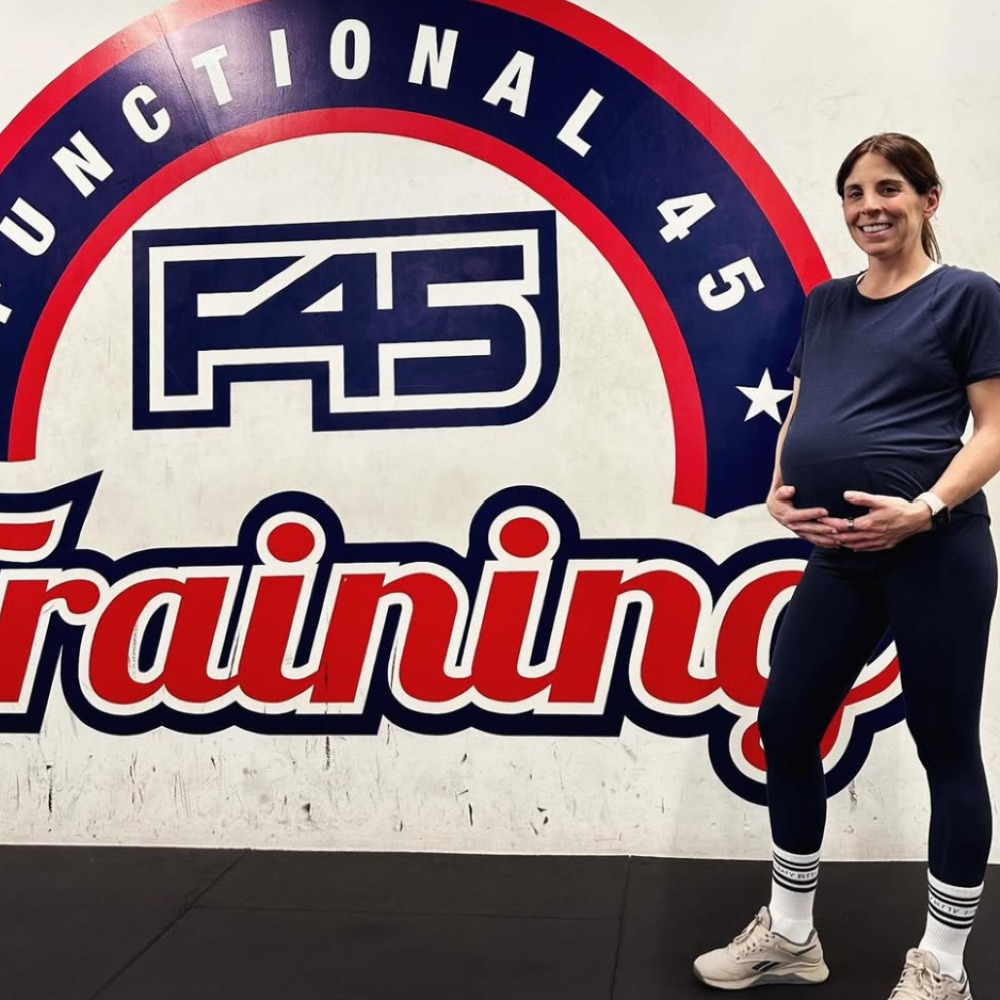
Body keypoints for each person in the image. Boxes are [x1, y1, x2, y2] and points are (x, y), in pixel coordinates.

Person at [692, 133, 1000, 1000]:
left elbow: (995, 427)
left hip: (936, 551)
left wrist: (925, 508)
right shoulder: (827, 304)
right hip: (838, 555)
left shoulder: (968, 296)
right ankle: (792, 935)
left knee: (945, 744)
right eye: (855, 192)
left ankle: (943, 964)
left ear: (928, 200)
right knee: (786, 723)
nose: (870, 206)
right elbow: (806, 407)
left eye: (889, 188)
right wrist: (780, 488)